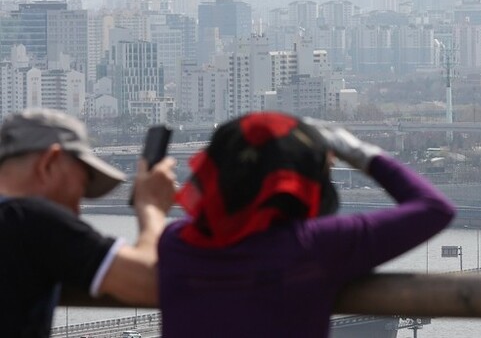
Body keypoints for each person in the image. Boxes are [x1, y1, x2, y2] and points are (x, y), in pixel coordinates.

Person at [158, 111, 456, 337]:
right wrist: (357, 151)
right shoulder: (314, 246)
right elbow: (434, 208)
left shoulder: (175, 244)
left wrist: (149, 203)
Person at [0, 108, 177, 337]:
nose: (77, 210)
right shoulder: (30, 219)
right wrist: (151, 207)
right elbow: (150, 281)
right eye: (82, 187)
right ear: (49, 163)